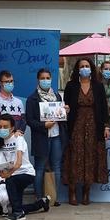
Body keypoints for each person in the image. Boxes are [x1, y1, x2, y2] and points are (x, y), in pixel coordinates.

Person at [63, 57, 110, 205]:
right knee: (74, 156)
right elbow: (65, 106)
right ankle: (72, 191)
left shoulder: (98, 86)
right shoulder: (71, 85)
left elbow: (103, 108)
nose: (84, 68)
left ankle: (86, 191)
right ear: (77, 69)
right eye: (82, 66)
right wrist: (66, 109)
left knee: (90, 156)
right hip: (76, 126)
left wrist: (106, 127)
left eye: (87, 66)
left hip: (94, 125)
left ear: (91, 69)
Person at [25, 68, 67, 204]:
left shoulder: (57, 96)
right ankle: (39, 197)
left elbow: (61, 117)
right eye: (42, 78)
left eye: (47, 78)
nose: (45, 80)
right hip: (41, 137)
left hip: (56, 136)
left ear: (51, 79)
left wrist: (65, 111)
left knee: (56, 167)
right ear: (38, 80)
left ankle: (54, 197)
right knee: (40, 168)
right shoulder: (32, 98)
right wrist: (44, 125)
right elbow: (30, 120)